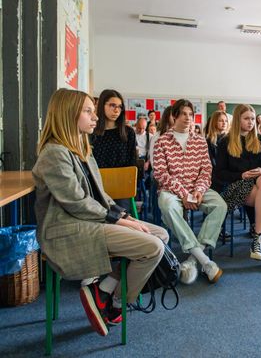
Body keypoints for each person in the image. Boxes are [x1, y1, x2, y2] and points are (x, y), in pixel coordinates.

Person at [33, 88, 168, 337]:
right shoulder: (54, 153)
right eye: (88, 111)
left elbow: (101, 196)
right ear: (68, 114)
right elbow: (77, 203)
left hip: (88, 222)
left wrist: (123, 216)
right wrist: (119, 221)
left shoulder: (82, 149)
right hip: (67, 228)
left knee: (161, 235)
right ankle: (117, 302)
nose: (95, 117)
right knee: (153, 247)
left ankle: (104, 291)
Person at [154, 99, 228, 284]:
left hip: (197, 189)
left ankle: (193, 259)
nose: (188, 118)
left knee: (220, 205)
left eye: (190, 114)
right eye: (183, 114)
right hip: (172, 190)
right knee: (167, 206)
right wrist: (183, 194)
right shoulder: (162, 141)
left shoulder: (200, 141)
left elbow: (206, 170)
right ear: (174, 116)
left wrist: (199, 190)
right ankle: (205, 261)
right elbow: (160, 173)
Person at [215, 105, 261, 275]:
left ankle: (259, 238)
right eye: (246, 118)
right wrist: (241, 175)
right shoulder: (225, 142)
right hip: (237, 186)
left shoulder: (260, 139)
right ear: (237, 120)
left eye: (252, 118)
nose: (251, 122)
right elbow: (219, 173)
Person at [91, 89, 137, 210]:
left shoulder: (128, 132)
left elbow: (131, 162)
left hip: (121, 185)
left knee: (121, 215)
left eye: (119, 107)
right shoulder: (91, 132)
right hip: (97, 185)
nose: (116, 110)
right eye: (112, 105)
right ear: (102, 106)